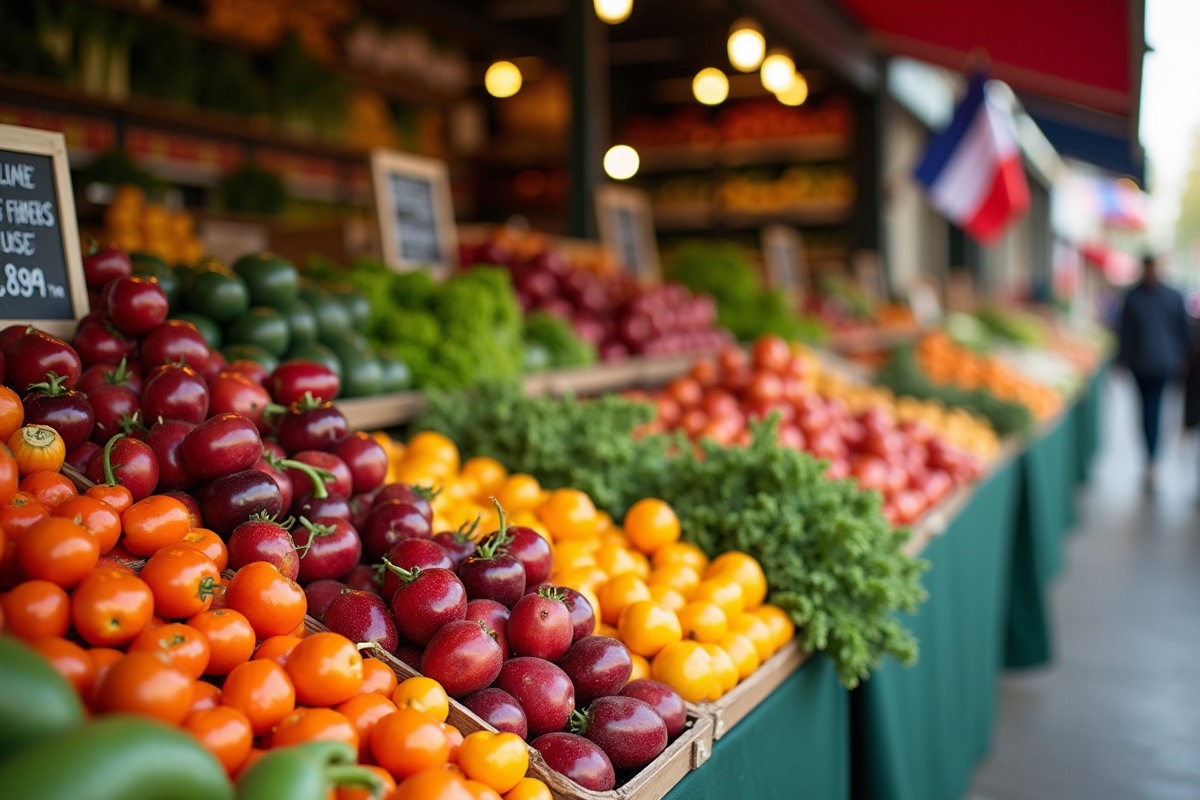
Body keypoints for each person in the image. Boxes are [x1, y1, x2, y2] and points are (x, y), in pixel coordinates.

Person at [1117, 254, 1192, 486]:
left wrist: (1185, 357)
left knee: (1154, 409)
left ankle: (1152, 458)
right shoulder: (1133, 297)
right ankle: (1150, 456)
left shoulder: (1173, 296)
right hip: (1140, 365)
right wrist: (1121, 360)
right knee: (1144, 411)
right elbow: (1124, 331)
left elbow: (1184, 330)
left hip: (1163, 364)